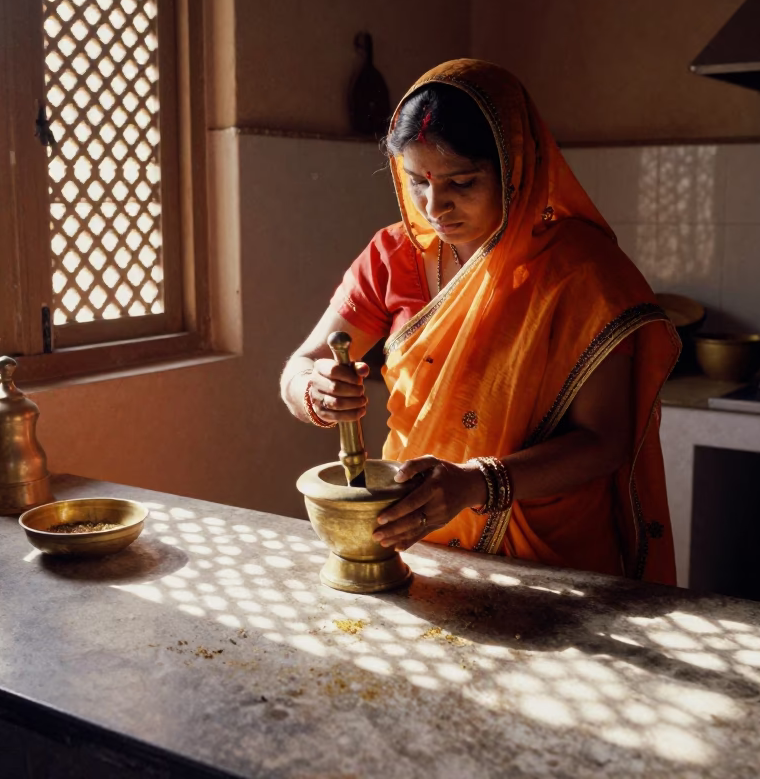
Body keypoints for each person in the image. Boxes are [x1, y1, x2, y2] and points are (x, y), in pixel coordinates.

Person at [279, 60, 680, 584]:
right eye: (417, 180)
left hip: (551, 560)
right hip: (415, 539)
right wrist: (314, 389)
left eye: (461, 182)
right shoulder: (393, 254)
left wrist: (475, 484)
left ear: (515, 167)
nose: (434, 205)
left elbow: (603, 441)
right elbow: (300, 365)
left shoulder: (580, 271)